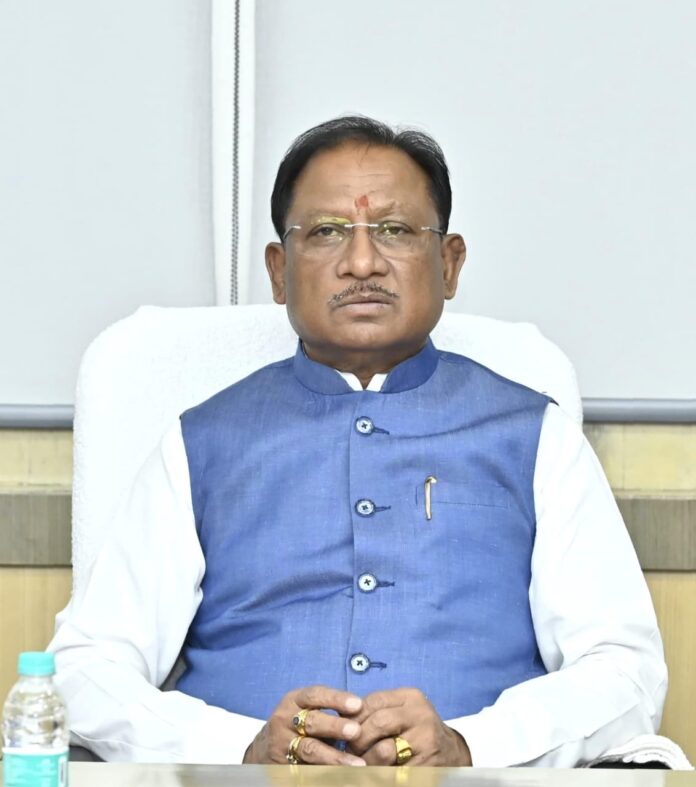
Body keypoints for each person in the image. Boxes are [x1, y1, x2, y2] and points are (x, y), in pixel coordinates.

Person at [48, 116, 666, 768]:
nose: (362, 263)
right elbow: (83, 669)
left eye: (395, 231)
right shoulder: (200, 443)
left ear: (449, 264)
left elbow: (623, 669)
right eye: (327, 232)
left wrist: (471, 746)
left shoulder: (535, 436)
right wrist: (238, 748)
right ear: (279, 271)